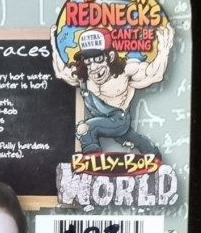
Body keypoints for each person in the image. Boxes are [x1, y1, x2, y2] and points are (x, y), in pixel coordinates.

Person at [50, 24, 174, 157]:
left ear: (110, 56)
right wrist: (54, 45)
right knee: (131, 138)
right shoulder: (83, 78)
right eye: (88, 61)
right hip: (104, 122)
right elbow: (61, 72)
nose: (94, 67)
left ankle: (92, 159)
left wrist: (163, 51)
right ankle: (153, 153)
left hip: (120, 120)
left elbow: (154, 75)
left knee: (84, 128)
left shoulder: (125, 73)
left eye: (98, 59)